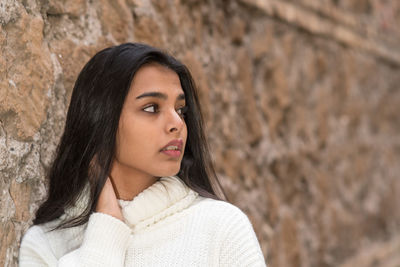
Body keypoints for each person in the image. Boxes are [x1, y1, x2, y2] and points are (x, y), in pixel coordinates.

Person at [19, 43, 267, 266]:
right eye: (151, 108)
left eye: (180, 110)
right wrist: (106, 225)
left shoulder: (221, 227)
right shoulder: (47, 245)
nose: (176, 123)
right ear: (101, 119)